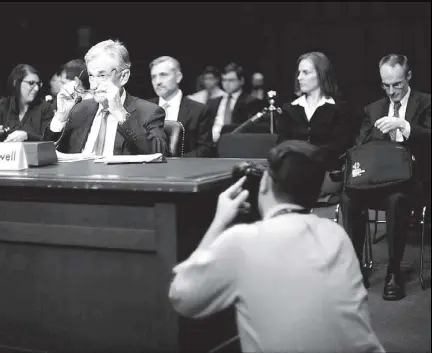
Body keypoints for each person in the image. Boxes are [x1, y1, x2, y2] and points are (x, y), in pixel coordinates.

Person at [169, 140, 385, 352]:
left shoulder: (243, 241)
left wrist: (219, 221)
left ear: (265, 183)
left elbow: (182, 298)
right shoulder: (336, 235)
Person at [342, 54, 431, 300]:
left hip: (413, 183)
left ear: (409, 76)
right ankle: (356, 267)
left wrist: (405, 127)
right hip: (377, 181)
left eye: (397, 84)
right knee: (349, 197)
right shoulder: (373, 109)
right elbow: (361, 146)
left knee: (396, 200)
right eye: (386, 85)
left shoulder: (426, 103)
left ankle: (394, 271)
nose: (391, 91)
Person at [47, 39, 168, 156]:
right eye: (91, 76)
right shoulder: (79, 110)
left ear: (124, 77)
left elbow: (161, 154)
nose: (94, 85)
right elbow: (46, 153)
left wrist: (120, 113)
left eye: (102, 75)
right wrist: (61, 116)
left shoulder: (149, 112)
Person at [276, 52, 355, 201]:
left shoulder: (340, 109)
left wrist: (308, 157)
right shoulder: (289, 109)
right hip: (294, 171)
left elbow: (340, 147)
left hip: (327, 172)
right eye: (299, 73)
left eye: (305, 72)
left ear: (321, 74)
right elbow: (282, 144)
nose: (299, 77)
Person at [149, 56, 214, 157]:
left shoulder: (199, 111)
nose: (158, 82)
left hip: (185, 170)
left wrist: (176, 164)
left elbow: (205, 150)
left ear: (178, 77)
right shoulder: (143, 109)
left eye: (163, 75)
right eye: (153, 77)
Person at [0, 64, 54, 142]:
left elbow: (50, 140)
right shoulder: (3, 105)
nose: (36, 88)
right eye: (31, 83)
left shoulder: (45, 108)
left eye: (38, 84)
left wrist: (27, 136)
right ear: (16, 83)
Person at [206, 63, 250, 143]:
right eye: (224, 80)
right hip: (211, 143)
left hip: (236, 142)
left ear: (241, 81)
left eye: (231, 80)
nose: (226, 84)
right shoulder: (212, 102)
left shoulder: (250, 102)